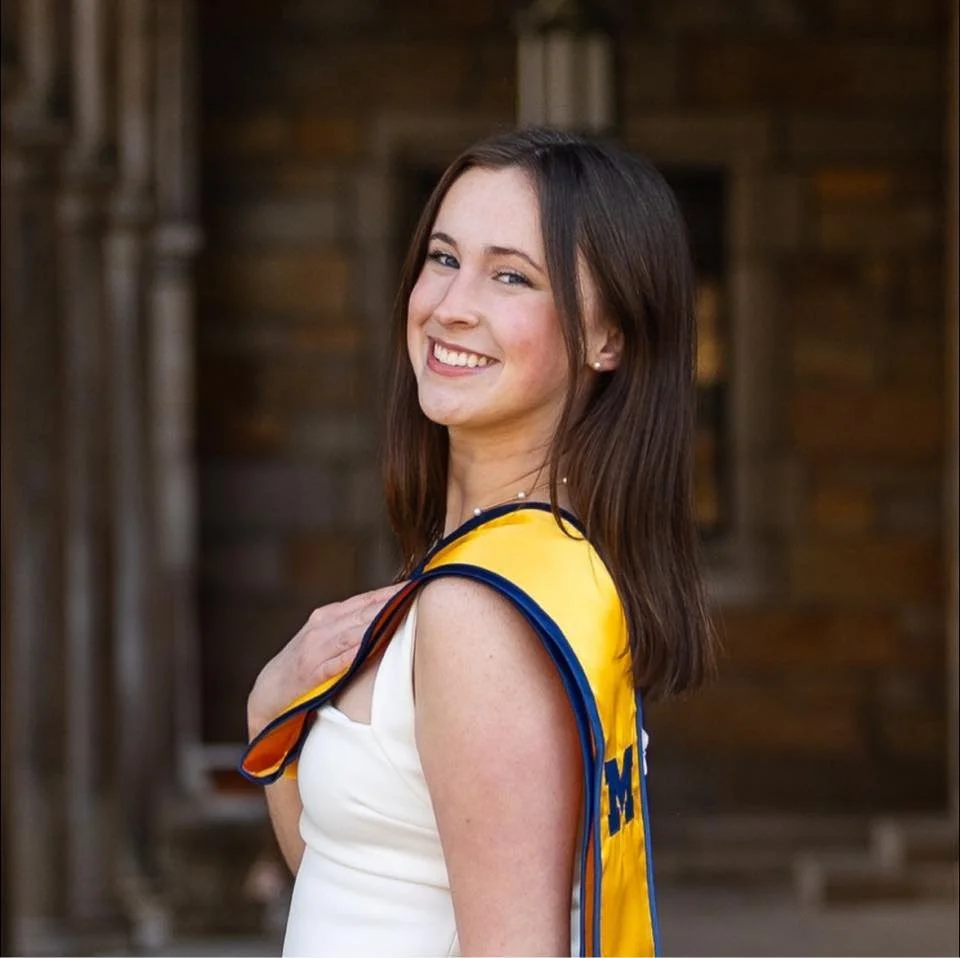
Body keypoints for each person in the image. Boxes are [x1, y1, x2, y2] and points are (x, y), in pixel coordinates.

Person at [241, 127, 716, 957]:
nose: (451, 305)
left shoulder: (481, 611)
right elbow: (362, 890)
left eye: (510, 276)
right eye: (443, 257)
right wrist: (273, 703)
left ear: (610, 337)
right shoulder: (534, 566)